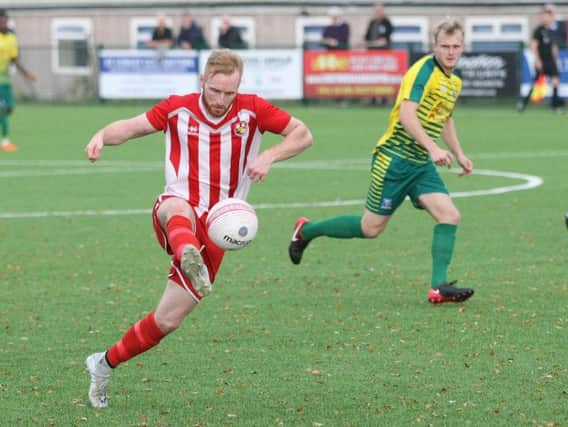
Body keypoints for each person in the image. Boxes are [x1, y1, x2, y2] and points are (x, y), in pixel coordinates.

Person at [83, 49, 313, 408]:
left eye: (229, 93)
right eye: (215, 91)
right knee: (178, 207)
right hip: (177, 210)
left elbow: (303, 134)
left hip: (219, 226)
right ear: (203, 81)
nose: (221, 100)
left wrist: (268, 155)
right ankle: (186, 250)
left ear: (238, 87)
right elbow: (130, 127)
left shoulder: (252, 109)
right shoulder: (178, 107)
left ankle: (103, 363)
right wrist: (100, 135)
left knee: (168, 320)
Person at [289, 17, 476, 305]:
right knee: (370, 228)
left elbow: (445, 117)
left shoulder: (454, 82)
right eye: (445, 46)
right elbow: (407, 114)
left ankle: (438, 287)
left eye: (456, 46)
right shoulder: (422, 71)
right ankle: (306, 230)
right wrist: (432, 148)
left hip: (420, 166)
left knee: (449, 215)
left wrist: (460, 153)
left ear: (463, 47)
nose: (451, 52)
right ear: (434, 46)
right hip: (395, 160)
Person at [517, 4, 565, 112]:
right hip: (542, 60)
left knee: (555, 81)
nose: (547, 18)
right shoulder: (539, 30)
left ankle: (555, 106)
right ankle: (523, 103)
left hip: (551, 61)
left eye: (550, 15)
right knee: (536, 83)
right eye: (546, 15)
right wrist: (537, 60)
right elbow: (533, 46)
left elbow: (553, 47)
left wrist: (556, 60)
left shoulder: (553, 31)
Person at [0, 9, 35, 152]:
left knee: (9, 109)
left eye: (4, 20)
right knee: (1, 110)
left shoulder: (11, 38)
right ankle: (5, 142)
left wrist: (26, 73)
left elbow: (14, 59)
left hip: (5, 80)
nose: (3, 22)